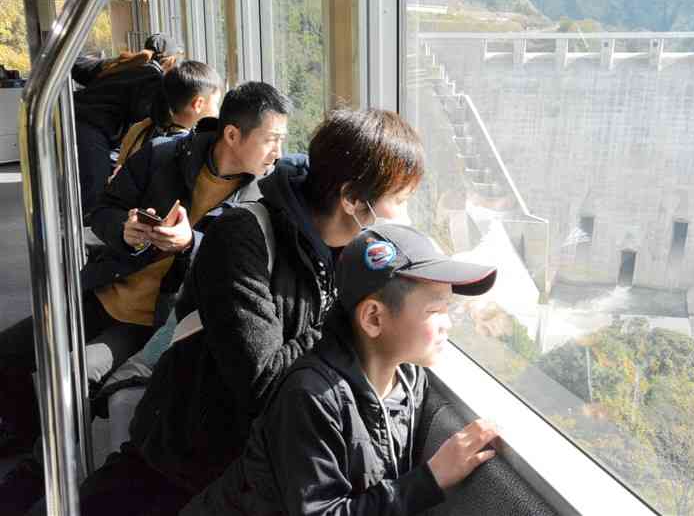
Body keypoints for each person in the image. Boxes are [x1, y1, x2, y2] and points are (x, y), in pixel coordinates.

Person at [45, 108, 426, 516]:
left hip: (251, 476)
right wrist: (349, 311)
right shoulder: (243, 238)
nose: (404, 219)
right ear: (352, 199)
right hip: (181, 464)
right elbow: (260, 382)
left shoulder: (348, 256)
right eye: (399, 201)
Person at [0, 81, 292, 516]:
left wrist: (190, 244)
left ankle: (40, 473)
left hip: (151, 321)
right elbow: (102, 210)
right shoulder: (166, 155)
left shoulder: (263, 201)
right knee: (11, 350)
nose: (277, 154)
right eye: (271, 140)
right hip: (103, 288)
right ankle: (23, 438)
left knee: (71, 381)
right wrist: (125, 228)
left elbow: (228, 278)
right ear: (233, 135)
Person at [183, 223, 500, 516]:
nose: (448, 324)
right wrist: (431, 479)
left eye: (449, 309)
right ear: (374, 318)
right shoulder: (311, 396)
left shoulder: (410, 379)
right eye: (435, 311)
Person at [71, 33, 182, 212]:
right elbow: (143, 112)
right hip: (92, 127)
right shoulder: (152, 76)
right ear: (170, 59)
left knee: (91, 182)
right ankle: (90, 231)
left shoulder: (122, 64)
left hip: (75, 119)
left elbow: (77, 66)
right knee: (95, 191)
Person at [113, 59, 223, 174]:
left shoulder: (139, 130)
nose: (217, 111)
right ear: (198, 104)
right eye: (216, 103)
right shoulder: (195, 149)